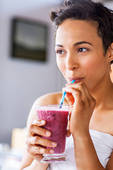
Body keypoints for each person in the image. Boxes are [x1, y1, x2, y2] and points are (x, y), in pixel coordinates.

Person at [20, 0, 113, 169]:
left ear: (110, 52)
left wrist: (80, 132)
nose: (69, 64)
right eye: (61, 51)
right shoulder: (46, 106)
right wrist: (39, 160)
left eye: (82, 49)